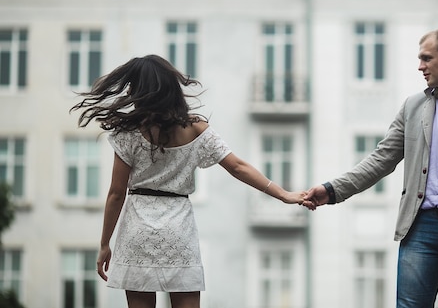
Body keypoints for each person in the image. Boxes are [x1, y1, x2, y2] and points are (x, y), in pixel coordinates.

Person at [304, 28, 438, 308]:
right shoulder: (412, 107)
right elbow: (381, 158)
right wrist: (332, 190)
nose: (420, 66)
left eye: (426, 58)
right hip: (421, 226)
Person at [71, 55, 307, 308]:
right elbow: (238, 167)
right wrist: (284, 194)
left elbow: (116, 194)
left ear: (138, 90)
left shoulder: (128, 132)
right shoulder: (196, 129)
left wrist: (105, 243)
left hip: (137, 230)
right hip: (178, 230)